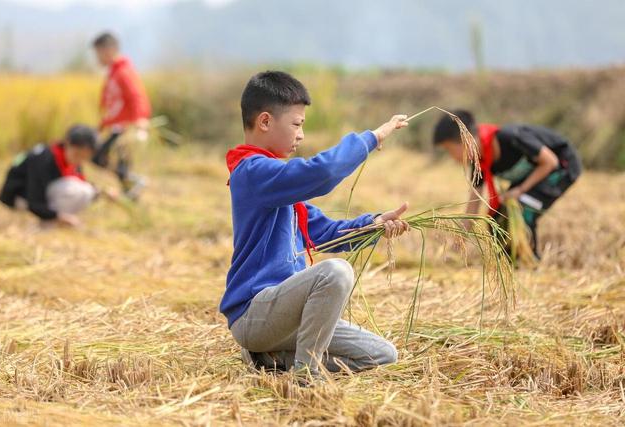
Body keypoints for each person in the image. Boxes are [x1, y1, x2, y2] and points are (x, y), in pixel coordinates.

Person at [221, 70, 411, 381]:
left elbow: (327, 233)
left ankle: (271, 360)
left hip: (287, 317)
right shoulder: (252, 172)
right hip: (256, 315)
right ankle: (306, 375)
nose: (301, 135)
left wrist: (374, 225)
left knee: (382, 354)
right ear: (265, 121)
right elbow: (321, 173)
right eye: (297, 124)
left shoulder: (279, 187)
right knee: (336, 272)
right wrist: (372, 138)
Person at [433, 110, 582, 255]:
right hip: (535, 175)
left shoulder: (511, 137)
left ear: (464, 140)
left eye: (449, 149)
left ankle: (530, 260)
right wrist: (458, 244)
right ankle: (510, 259)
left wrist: (520, 189)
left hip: (561, 167)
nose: (451, 156)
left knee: (522, 208)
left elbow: (550, 161)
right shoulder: (481, 162)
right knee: (498, 217)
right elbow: (473, 205)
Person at [0, 125, 99, 227]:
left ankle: (54, 219)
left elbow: (83, 182)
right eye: (77, 154)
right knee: (79, 190)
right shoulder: (43, 159)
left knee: (88, 190)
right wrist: (57, 216)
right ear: (67, 143)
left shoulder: (70, 161)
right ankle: (48, 223)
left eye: (84, 157)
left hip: (39, 199)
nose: (79, 160)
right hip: (19, 198)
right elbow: (34, 200)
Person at [91, 32, 151, 200]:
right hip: (116, 126)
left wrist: (140, 119)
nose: (97, 58)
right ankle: (131, 189)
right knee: (117, 163)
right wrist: (103, 124)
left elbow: (137, 96)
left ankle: (133, 182)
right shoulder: (113, 73)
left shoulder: (123, 72)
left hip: (125, 127)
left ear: (109, 50)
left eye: (98, 53)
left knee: (100, 157)